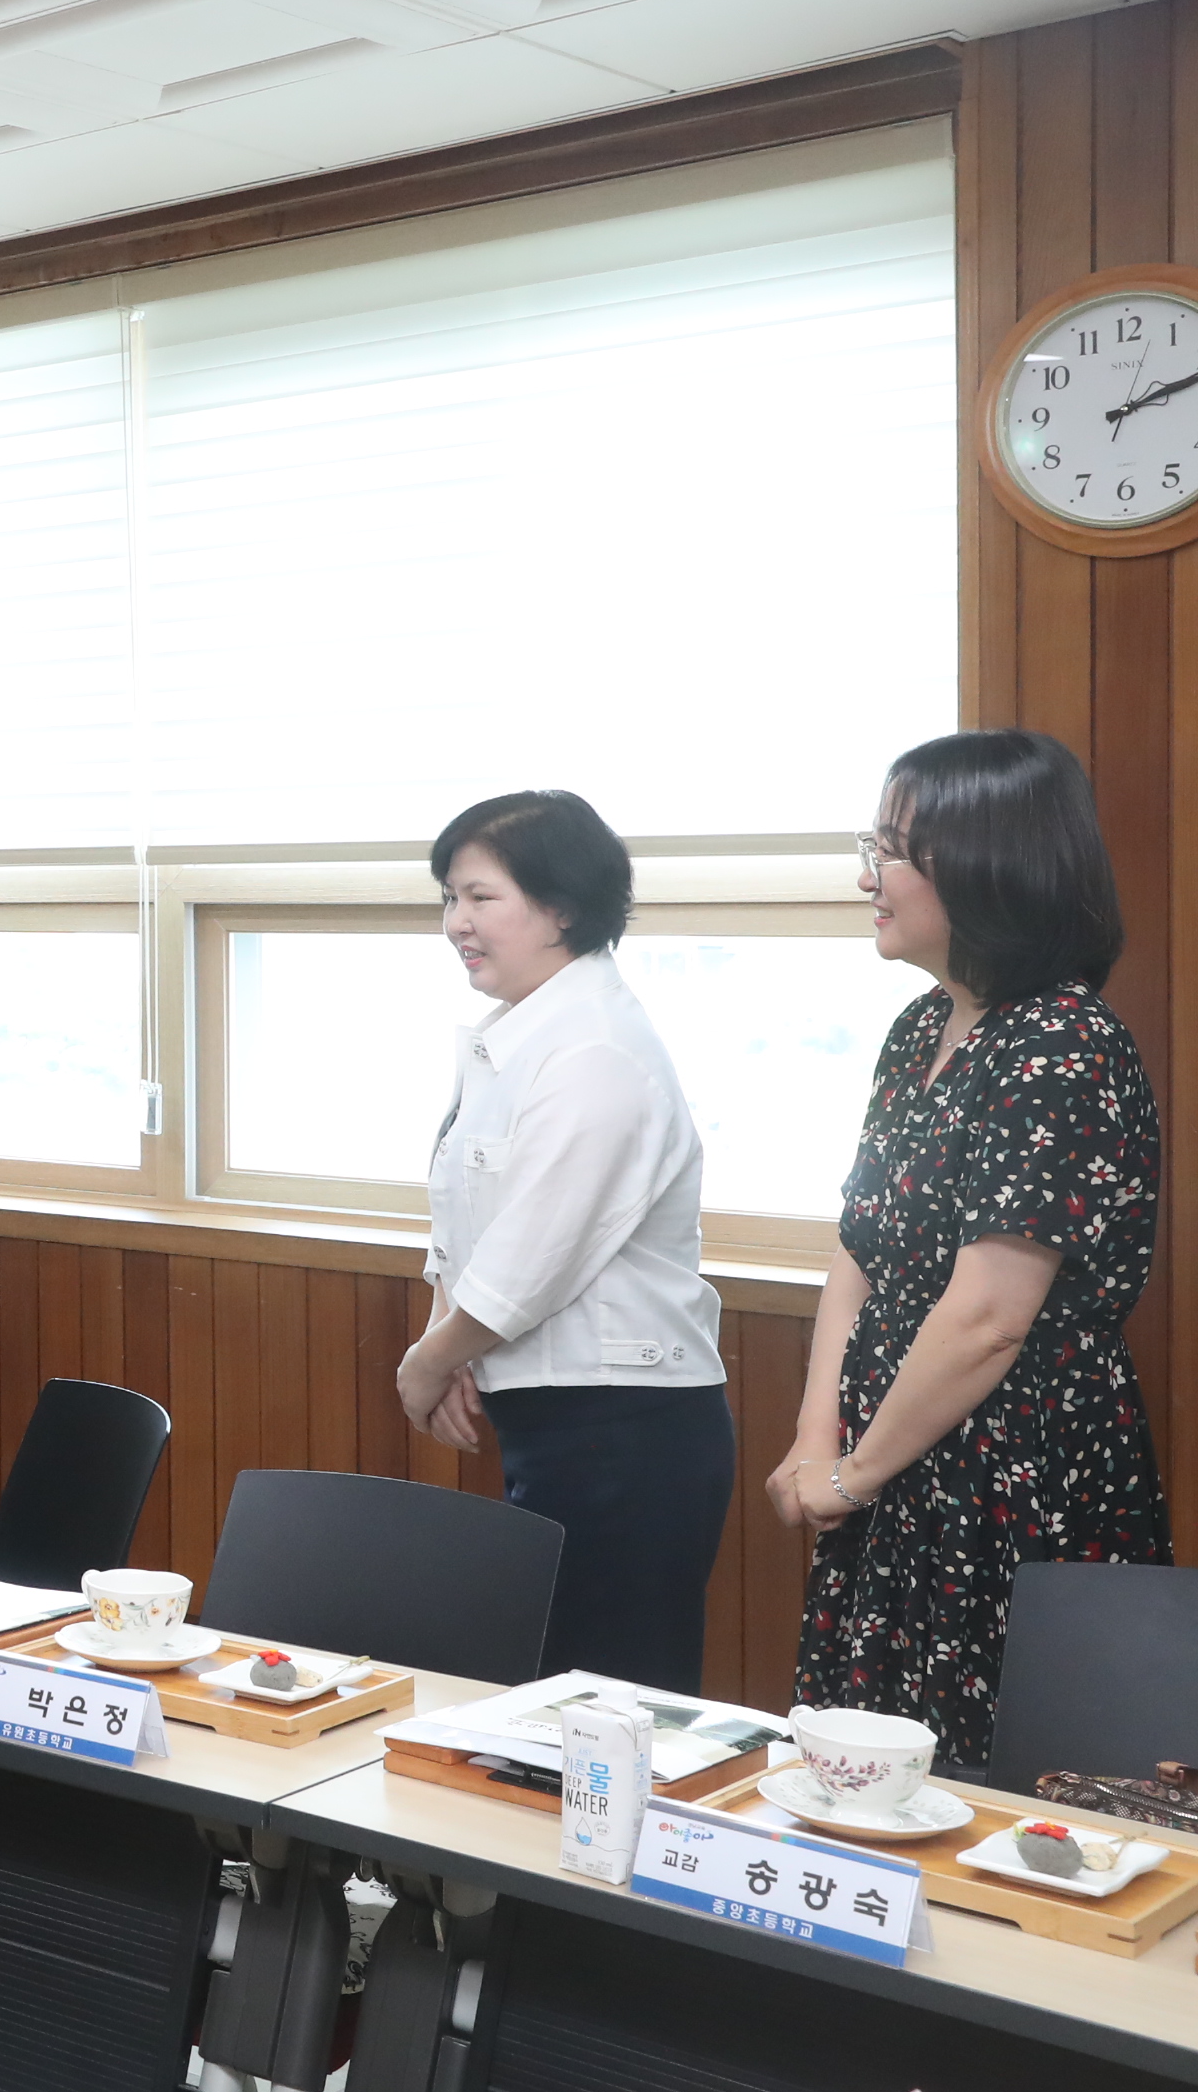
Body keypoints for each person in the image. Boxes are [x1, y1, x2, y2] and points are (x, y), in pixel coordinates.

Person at [773, 730, 1168, 1772]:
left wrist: (852, 1476)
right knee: (858, 1779)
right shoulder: (919, 1028)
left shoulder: (1064, 1044)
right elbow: (859, 1250)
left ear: (989, 864)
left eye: (891, 848)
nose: (867, 873)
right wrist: (822, 1442)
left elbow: (991, 1317)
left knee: (990, 1790)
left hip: (1011, 1474)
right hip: (892, 1455)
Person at [392, 791, 728, 1694]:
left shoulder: (594, 1050)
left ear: (562, 906)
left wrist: (429, 1363)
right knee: (545, 1705)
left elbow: (531, 1259)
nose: (456, 923)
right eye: (448, 899)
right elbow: (469, 1218)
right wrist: (451, 1341)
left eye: (479, 898)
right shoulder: (522, 1034)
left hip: (625, 1426)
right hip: (556, 1413)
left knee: (605, 1707)